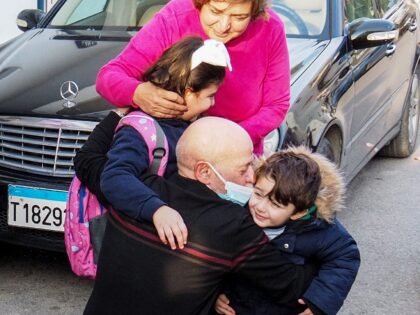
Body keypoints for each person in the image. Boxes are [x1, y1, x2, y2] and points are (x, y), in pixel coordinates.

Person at [84, 117, 316, 315]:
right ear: (205, 172)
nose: (251, 178)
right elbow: (290, 287)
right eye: (244, 168)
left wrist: (119, 112)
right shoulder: (234, 224)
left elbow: (88, 161)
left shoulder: (135, 189)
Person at [75, 36, 232, 249]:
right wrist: (156, 210)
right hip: (143, 242)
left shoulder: (186, 123)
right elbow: (114, 176)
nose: (213, 102)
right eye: (210, 95)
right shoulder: (143, 130)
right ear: (188, 91)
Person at [96, 0, 290, 154]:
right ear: (200, 2)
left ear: (255, 10)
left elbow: (276, 105)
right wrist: (138, 93)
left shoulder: (270, 28)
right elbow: (108, 77)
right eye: (215, 11)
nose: (224, 26)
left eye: (239, 17)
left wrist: (229, 139)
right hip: (168, 156)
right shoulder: (174, 17)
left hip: (233, 158)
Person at [215, 146, 361, 315]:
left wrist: (318, 304)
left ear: (299, 212)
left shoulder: (317, 229)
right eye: (258, 194)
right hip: (240, 306)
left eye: (275, 204)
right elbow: (220, 257)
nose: (260, 207)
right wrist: (218, 292)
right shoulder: (240, 215)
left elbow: (345, 258)